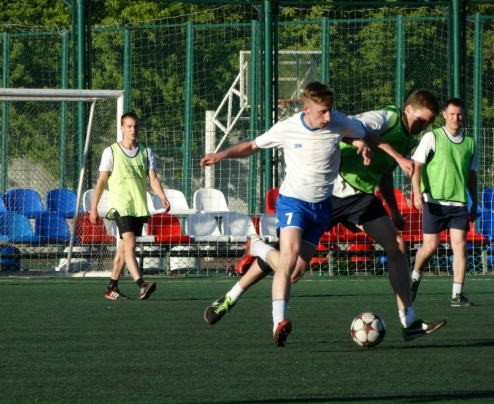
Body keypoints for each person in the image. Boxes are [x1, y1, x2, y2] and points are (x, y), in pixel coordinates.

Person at [204, 89, 448, 344]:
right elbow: (355, 130)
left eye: (429, 122)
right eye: (421, 119)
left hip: (359, 198)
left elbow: (384, 173)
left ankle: (409, 322)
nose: (424, 126)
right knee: (291, 268)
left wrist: (394, 210)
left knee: (396, 245)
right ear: (408, 110)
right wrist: (365, 145)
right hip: (328, 192)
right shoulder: (385, 118)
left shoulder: (408, 139)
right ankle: (234, 291)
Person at [201, 81, 374, 347]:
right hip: (294, 202)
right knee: (288, 258)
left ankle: (251, 258)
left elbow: (351, 133)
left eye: (330, 110)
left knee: (293, 272)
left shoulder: (338, 121)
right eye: (322, 112)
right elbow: (253, 146)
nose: (328, 116)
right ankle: (278, 322)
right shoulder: (288, 128)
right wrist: (222, 155)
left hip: (322, 207)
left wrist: (360, 143)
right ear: (306, 109)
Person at [90, 112, 170, 301]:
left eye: (135, 126)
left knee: (123, 247)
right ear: (122, 128)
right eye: (129, 126)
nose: (133, 130)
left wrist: (162, 196)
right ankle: (141, 284)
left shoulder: (146, 152)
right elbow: (101, 181)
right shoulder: (111, 151)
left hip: (138, 206)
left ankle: (111, 287)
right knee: (131, 243)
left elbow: (153, 178)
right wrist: (94, 208)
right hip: (121, 206)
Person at [410, 98, 478, 307]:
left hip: (458, 204)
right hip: (434, 202)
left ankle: (457, 295)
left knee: (460, 246)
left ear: (463, 115)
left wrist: (474, 201)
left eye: (459, 114)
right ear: (445, 115)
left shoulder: (470, 143)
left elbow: (471, 174)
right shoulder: (432, 137)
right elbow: (417, 166)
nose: (456, 118)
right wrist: (417, 192)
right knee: (430, 247)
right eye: (452, 114)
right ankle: (414, 276)